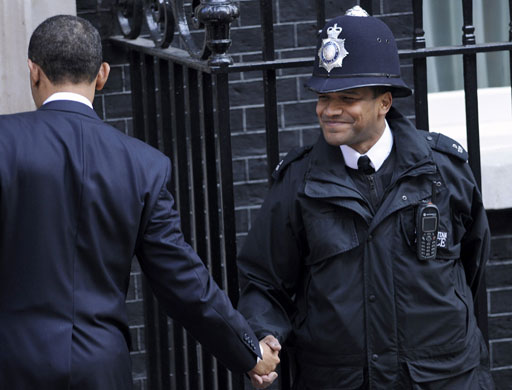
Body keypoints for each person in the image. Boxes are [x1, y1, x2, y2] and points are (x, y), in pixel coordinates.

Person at [0, 14, 280, 389]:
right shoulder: (143, 165)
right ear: (102, 74)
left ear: (33, 72)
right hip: (102, 370)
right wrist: (250, 354)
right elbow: (184, 283)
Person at [237, 6, 495, 389]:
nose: (330, 110)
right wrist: (263, 333)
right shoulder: (297, 183)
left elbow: (473, 270)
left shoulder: (445, 171)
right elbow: (264, 281)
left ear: (384, 103)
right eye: (323, 97)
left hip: (443, 379)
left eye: (347, 98)